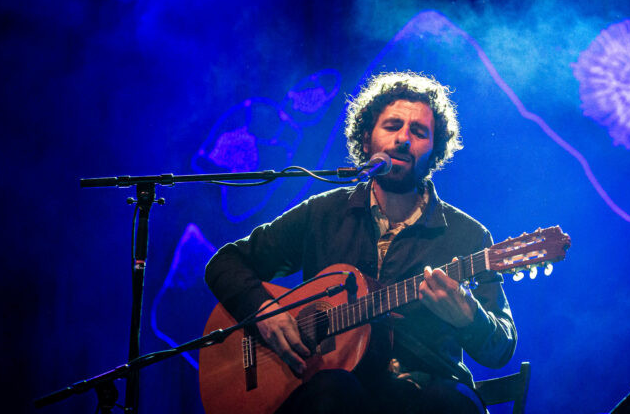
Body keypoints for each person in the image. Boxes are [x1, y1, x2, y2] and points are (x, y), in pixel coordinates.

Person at [205, 71, 516, 413]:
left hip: (425, 393)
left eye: (419, 132)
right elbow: (225, 264)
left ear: (434, 150)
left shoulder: (467, 236)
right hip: (331, 389)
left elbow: (500, 349)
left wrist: (469, 317)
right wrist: (264, 312)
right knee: (333, 389)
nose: (403, 139)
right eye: (392, 126)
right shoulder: (323, 214)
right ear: (367, 139)